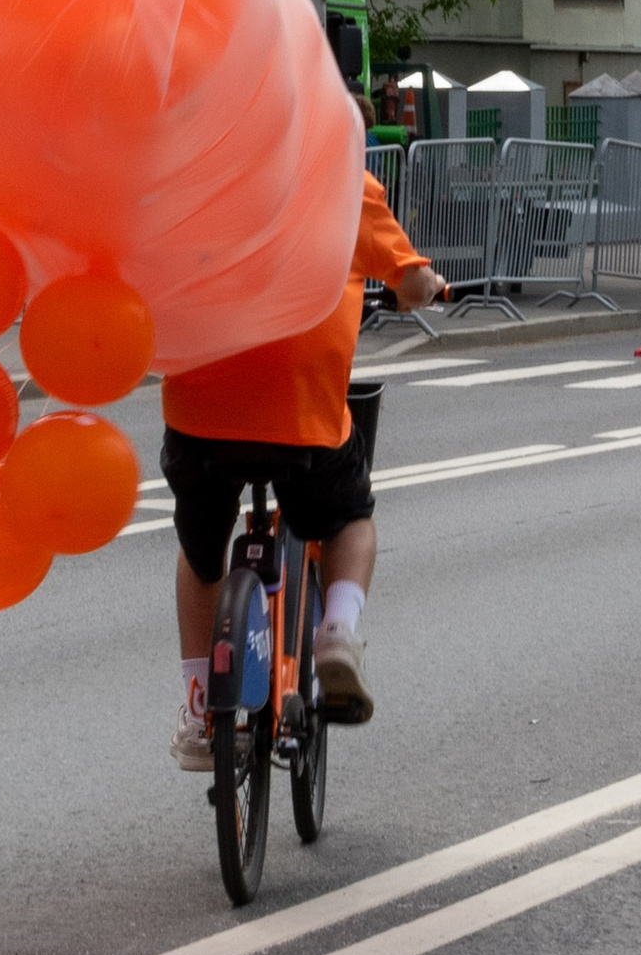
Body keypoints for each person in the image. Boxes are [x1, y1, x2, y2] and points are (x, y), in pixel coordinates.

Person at [159, 164, 440, 765]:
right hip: (302, 411)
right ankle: (336, 634)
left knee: (201, 551)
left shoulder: (193, 165)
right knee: (350, 518)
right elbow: (411, 284)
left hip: (200, 408)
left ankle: (199, 710)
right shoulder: (342, 178)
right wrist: (430, 285)